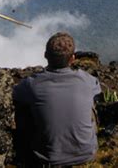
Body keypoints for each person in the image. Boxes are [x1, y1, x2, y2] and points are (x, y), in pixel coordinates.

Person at [13, 32, 102, 167]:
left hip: (48, 158)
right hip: (87, 153)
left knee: (24, 105)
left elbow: (15, 95)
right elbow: (97, 92)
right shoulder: (88, 81)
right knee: (90, 101)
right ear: (72, 58)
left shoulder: (32, 85)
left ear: (45, 55)